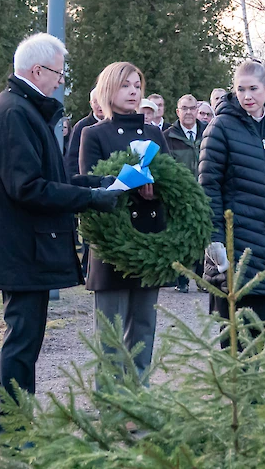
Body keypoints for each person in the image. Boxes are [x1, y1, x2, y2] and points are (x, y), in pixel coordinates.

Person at [0, 33, 120, 417]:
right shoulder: (14, 113)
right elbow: (27, 188)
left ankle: (22, 431)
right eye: (58, 73)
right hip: (19, 248)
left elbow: (48, 176)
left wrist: (94, 185)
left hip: (25, 246)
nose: (61, 81)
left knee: (26, 342)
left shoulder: (25, 111)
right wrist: (89, 199)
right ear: (37, 71)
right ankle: (17, 436)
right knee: (21, 343)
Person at [199, 60, 265, 338]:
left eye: (253, 89)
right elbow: (208, 188)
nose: (247, 96)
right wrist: (213, 240)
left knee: (259, 334)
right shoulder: (220, 128)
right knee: (235, 336)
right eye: (240, 89)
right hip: (234, 248)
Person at [80, 61, 170, 384]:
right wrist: (126, 189)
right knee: (111, 332)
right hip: (111, 248)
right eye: (125, 86)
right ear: (108, 91)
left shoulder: (155, 133)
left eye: (136, 86)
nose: (133, 91)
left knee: (144, 328)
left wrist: (154, 194)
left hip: (148, 243)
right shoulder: (93, 134)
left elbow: (173, 184)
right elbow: (89, 185)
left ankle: (138, 396)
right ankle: (112, 405)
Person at [164, 94, 206, 292]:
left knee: (202, 237)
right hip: (179, 196)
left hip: (204, 195)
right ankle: (181, 280)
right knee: (180, 237)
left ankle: (201, 278)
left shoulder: (208, 133)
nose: (188, 112)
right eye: (184, 108)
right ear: (177, 112)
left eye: (192, 108)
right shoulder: (168, 136)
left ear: (197, 110)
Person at [65, 88, 104, 178]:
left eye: (102, 101)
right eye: (95, 102)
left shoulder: (113, 124)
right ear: (90, 104)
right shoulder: (81, 126)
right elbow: (72, 158)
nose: (99, 106)